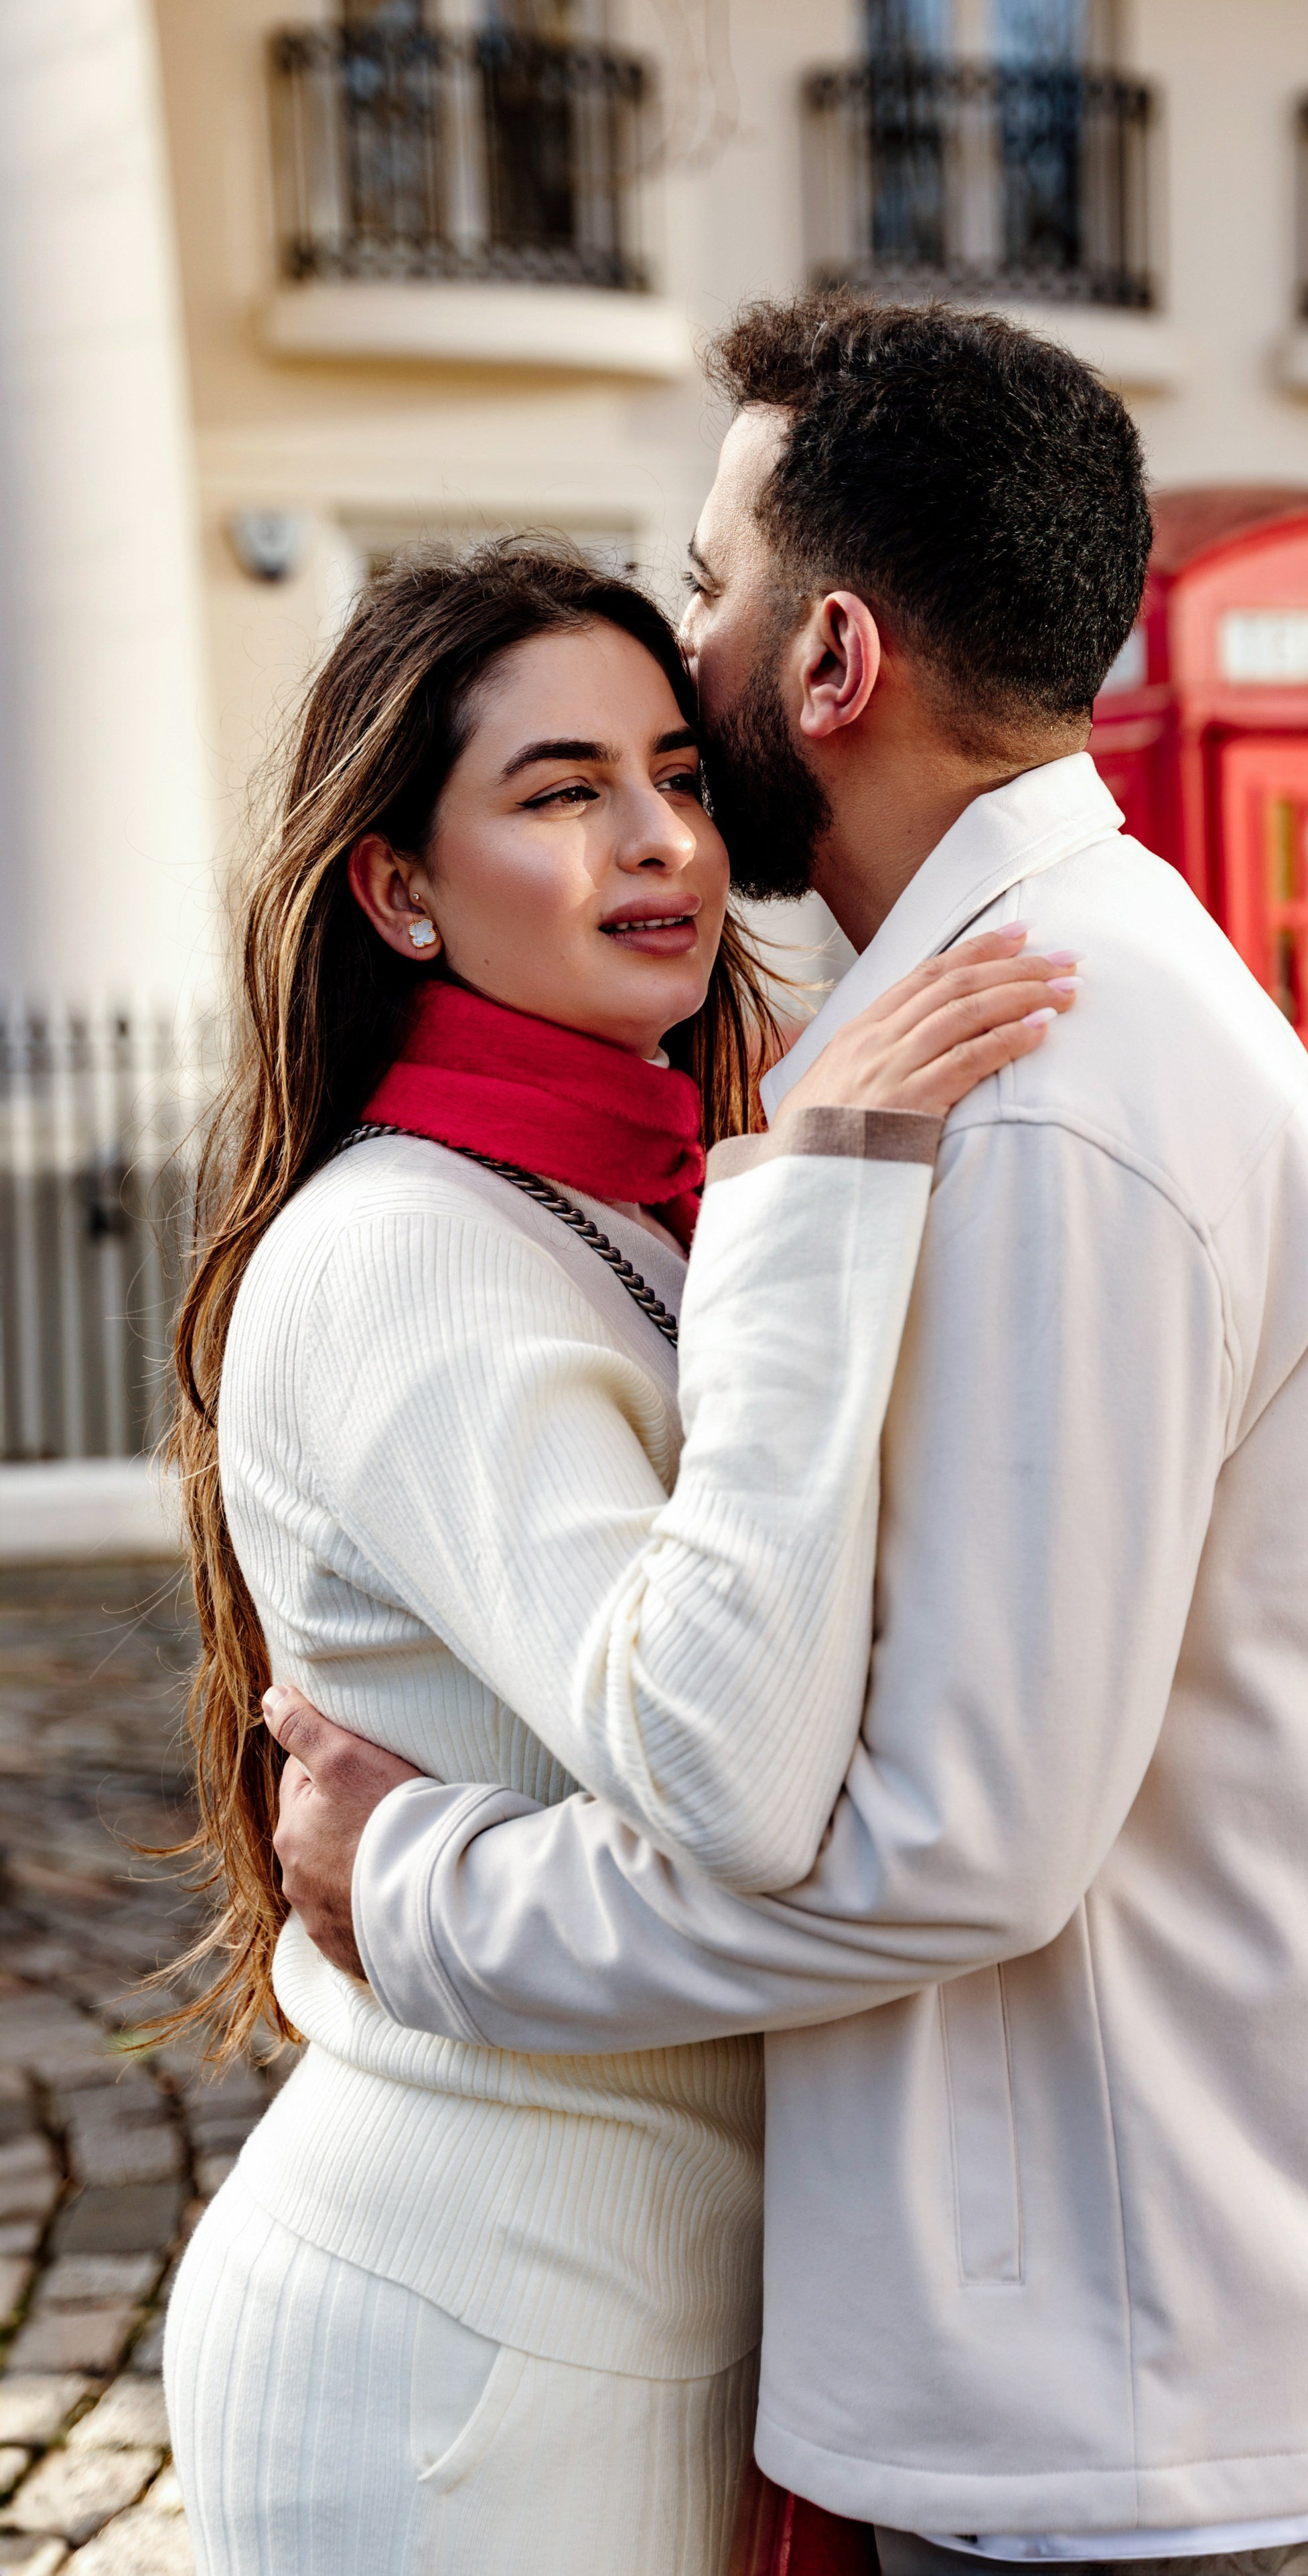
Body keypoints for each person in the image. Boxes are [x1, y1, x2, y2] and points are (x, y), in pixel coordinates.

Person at [267, 296, 1308, 2576]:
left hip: (1123, 2396)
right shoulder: (985, 1022)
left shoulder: (1029, 1076)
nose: (685, 642)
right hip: (1097, 2336)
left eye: (709, 582)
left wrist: (418, 1895)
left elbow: (946, 1843)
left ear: (829, 658)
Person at [157, 540, 1079, 2575]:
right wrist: (827, 1197)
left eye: (673, 768)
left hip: (631, 2306)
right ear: (396, 888)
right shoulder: (410, 1247)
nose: (661, 839)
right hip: (475, 2342)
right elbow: (726, 1769)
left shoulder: (625, 1204)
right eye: (562, 792)